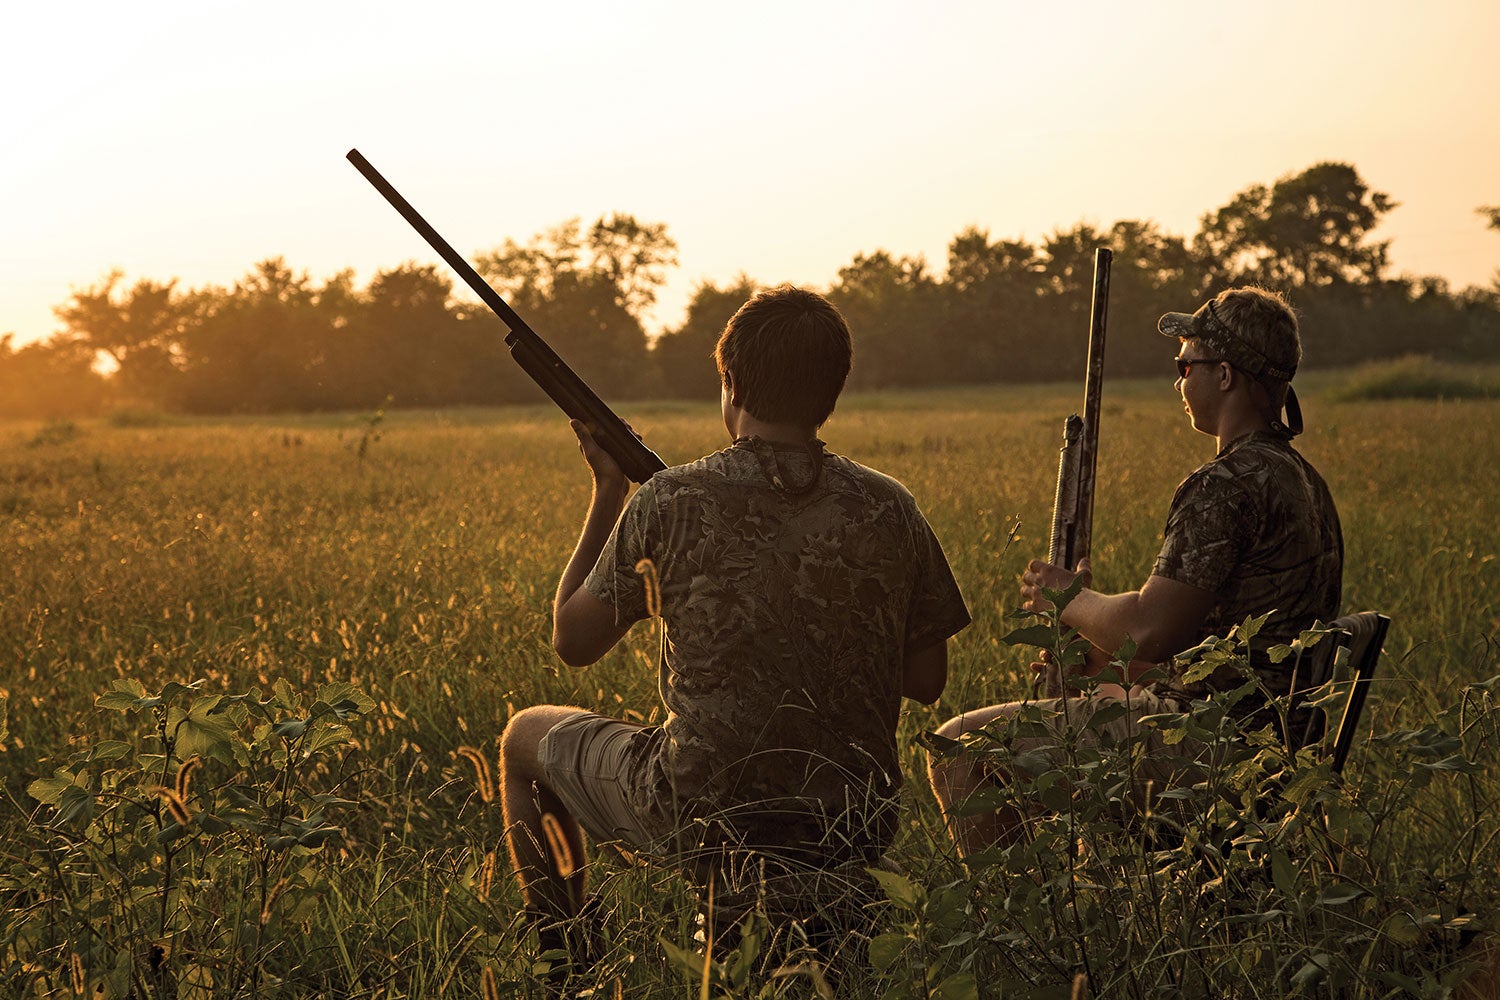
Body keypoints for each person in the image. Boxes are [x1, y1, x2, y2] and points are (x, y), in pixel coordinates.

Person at [500, 285, 972, 966]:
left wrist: (608, 491)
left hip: (701, 814)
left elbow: (572, 642)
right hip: (852, 822)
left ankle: (565, 961)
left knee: (522, 740)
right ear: (833, 389)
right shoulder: (891, 506)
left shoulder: (670, 499)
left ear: (731, 383)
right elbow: (927, 681)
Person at [929, 286, 1343, 855]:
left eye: (1186, 363)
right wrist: (1099, 650)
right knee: (1085, 680)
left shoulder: (1224, 484)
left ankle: (1022, 933)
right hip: (1271, 740)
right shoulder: (1304, 482)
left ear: (1224, 375)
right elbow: (1207, 638)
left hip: (1217, 747)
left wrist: (1065, 596)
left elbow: (1149, 629)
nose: (1179, 381)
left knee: (961, 748)